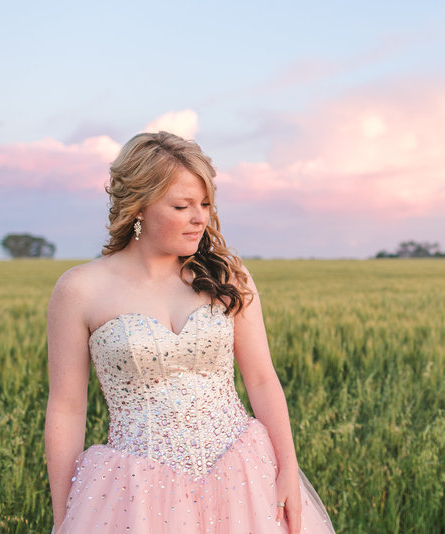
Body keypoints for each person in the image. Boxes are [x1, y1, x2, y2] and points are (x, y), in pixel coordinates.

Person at [45, 131, 334, 533]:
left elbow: (263, 379)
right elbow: (66, 409)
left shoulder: (227, 276)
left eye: (205, 204)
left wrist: (288, 466)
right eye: (182, 206)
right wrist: (64, 515)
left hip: (243, 475)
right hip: (136, 492)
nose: (200, 218)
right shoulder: (79, 290)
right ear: (139, 207)